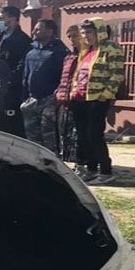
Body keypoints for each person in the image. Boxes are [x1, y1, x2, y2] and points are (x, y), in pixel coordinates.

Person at [67, 18, 125, 184]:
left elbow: (117, 74)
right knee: (83, 135)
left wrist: (105, 94)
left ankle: (106, 170)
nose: (86, 36)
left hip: (97, 99)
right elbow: (79, 74)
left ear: (99, 31)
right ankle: (91, 168)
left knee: (94, 134)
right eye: (83, 33)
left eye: (89, 32)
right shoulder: (87, 50)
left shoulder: (111, 48)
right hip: (80, 99)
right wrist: (73, 92)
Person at [20, 19, 69, 154]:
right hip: (31, 100)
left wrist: (56, 95)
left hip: (49, 99)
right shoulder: (31, 52)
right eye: (34, 29)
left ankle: (52, 162)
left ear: (50, 31)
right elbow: (25, 76)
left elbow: (64, 76)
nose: (34, 32)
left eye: (38, 29)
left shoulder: (59, 52)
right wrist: (24, 98)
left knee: (49, 135)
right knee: (32, 136)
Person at [0, 6, 33, 137]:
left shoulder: (22, 40)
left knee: (13, 126)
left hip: (12, 90)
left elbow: (22, 65)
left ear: (13, 19)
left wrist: (9, 79)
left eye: (1, 18)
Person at [55, 24, 84, 165]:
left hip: (80, 100)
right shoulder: (69, 56)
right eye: (70, 37)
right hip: (65, 100)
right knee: (65, 133)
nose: (72, 40)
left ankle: (82, 163)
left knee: (78, 135)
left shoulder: (86, 57)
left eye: (75, 36)